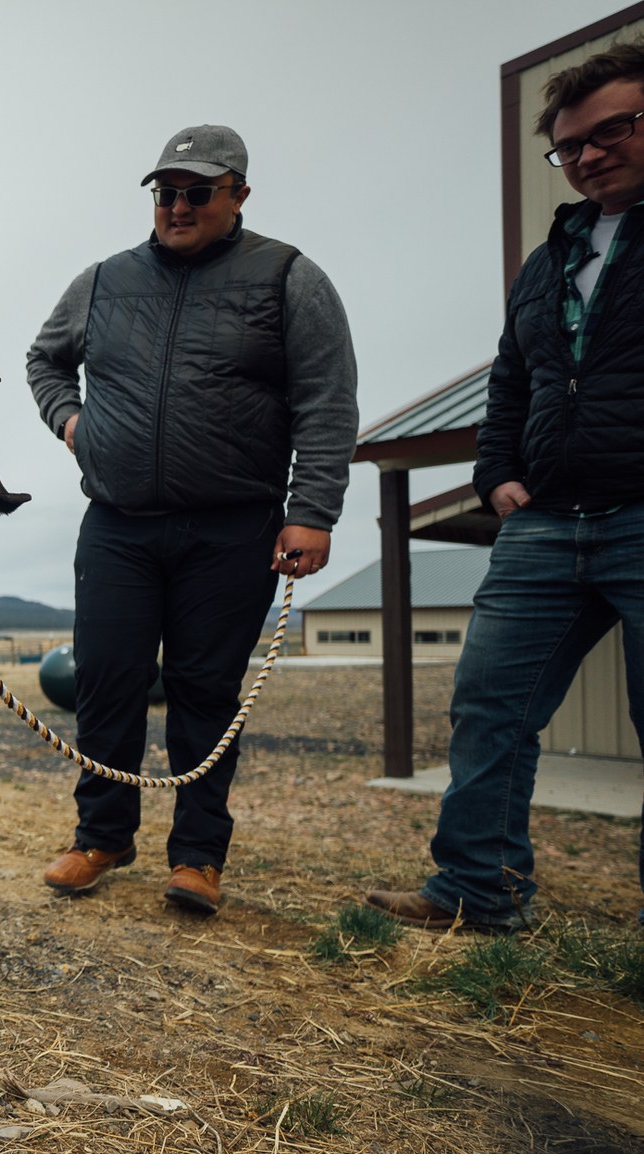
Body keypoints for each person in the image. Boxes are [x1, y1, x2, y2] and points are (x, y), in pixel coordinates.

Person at [26, 124, 359, 915]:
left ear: (238, 195)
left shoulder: (288, 278)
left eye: (196, 192)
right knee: (106, 682)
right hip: (118, 522)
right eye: (165, 192)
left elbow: (327, 398)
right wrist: (73, 424)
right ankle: (100, 836)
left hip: (232, 526)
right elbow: (45, 358)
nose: (177, 206)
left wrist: (311, 510)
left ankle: (198, 856)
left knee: (207, 690)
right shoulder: (104, 280)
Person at [367, 42, 644, 933]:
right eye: (572, 147)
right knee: (489, 705)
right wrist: (495, 475)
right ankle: (476, 890)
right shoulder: (551, 256)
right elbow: (512, 380)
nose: (592, 154)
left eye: (615, 130)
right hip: (545, 524)